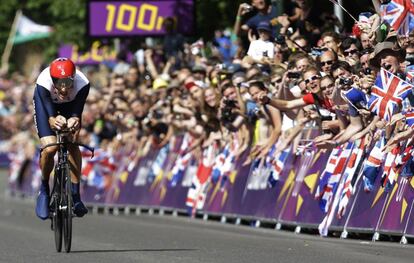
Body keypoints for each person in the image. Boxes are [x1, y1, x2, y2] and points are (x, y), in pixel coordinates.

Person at [33, 58, 90, 220]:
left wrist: (74, 120)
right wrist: (54, 119)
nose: (63, 87)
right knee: (51, 148)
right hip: (47, 106)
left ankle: (75, 194)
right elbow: (51, 119)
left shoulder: (83, 84)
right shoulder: (43, 82)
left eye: (67, 82)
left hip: (70, 105)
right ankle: (44, 189)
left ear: (74, 77)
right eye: (59, 82)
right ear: (52, 79)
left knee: (72, 142)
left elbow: (76, 113)